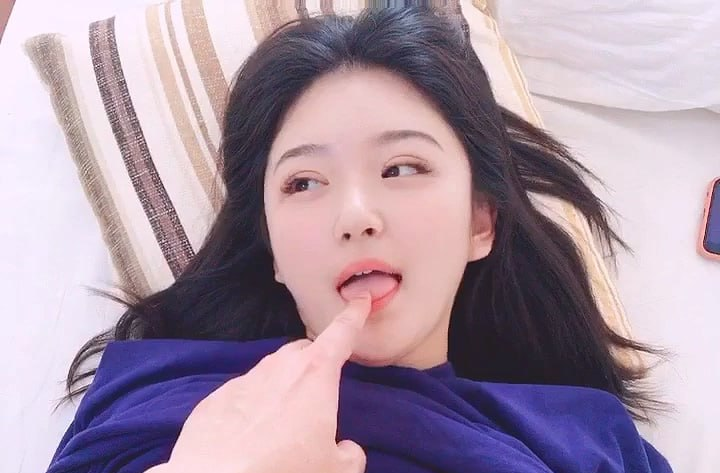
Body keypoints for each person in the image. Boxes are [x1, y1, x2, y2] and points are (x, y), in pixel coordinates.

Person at [47, 6, 672, 473]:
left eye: (401, 168)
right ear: (272, 250)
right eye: (304, 183)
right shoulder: (150, 405)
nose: (355, 215)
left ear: (480, 223)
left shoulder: (589, 440)